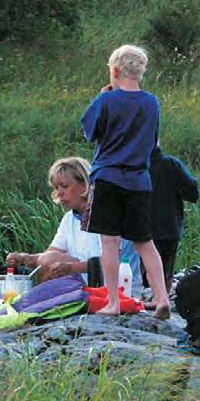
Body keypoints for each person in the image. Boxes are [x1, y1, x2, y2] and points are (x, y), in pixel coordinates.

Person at [79, 44, 170, 319]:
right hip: (139, 180)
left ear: (115, 71)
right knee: (145, 243)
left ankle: (113, 303)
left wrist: (101, 97)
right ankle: (162, 297)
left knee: (110, 242)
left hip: (108, 176)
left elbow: (90, 132)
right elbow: (154, 142)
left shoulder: (106, 101)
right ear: (140, 72)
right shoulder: (151, 102)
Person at [5, 157, 140, 286]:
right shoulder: (69, 218)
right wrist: (27, 258)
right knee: (48, 260)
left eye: (64, 186)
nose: (59, 193)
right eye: (56, 188)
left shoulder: (107, 213)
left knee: (49, 261)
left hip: (120, 286)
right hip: (87, 282)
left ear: (84, 184)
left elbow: (112, 260)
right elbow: (50, 254)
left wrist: (71, 268)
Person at [143, 144, 199, 294]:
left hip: (141, 229)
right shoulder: (171, 165)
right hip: (169, 227)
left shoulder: (133, 167)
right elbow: (193, 192)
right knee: (166, 271)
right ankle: (163, 300)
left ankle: (146, 299)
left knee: (144, 272)